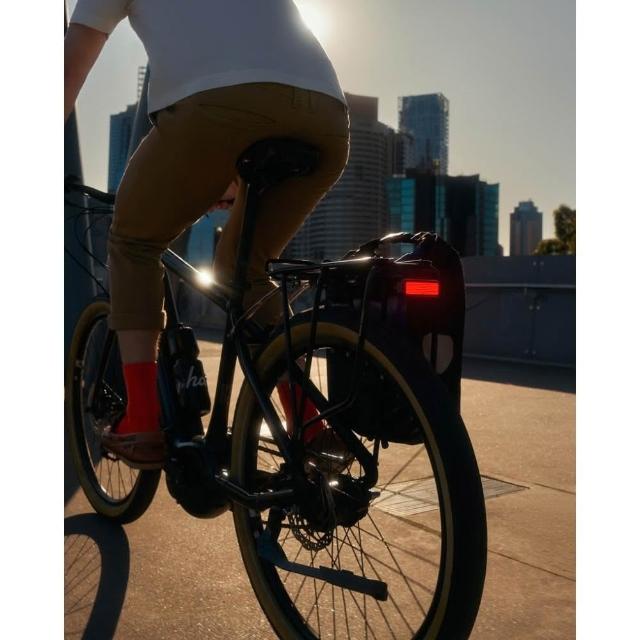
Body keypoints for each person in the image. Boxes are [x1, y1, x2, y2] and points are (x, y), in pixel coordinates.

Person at [65, 0, 350, 468]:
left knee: (134, 242)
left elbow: (67, 72)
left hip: (217, 110)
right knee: (244, 270)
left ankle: (141, 421)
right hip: (325, 113)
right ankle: (311, 426)